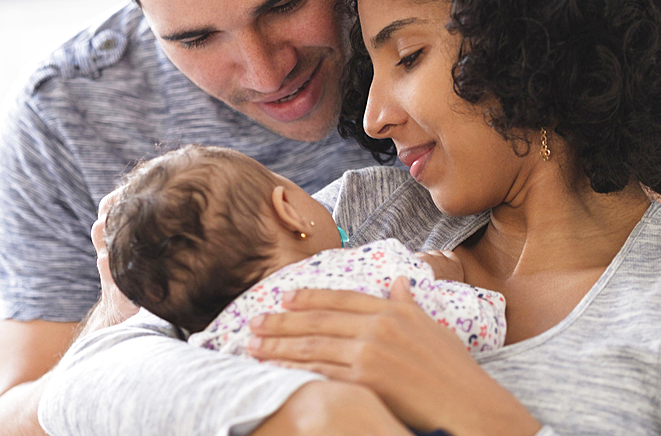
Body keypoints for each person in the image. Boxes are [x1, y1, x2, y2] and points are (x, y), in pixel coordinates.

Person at [37, 0, 661, 435]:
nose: (374, 116)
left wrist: (480, 414)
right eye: (372, 69)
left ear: (531, 42)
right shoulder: (365, 217)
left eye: (407, 56)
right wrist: (315, 412)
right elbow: (85, 385)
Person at [0, 0, 378, 434]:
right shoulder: (70, 114)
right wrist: (119, 314)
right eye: (194, 37)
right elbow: (5, 424)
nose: (265, 69)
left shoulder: (447, 27)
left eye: (285, 2)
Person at [104, 144, 506, 355]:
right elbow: (478, 327)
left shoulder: (208, 346)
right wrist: (448, 276)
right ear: (289, 213)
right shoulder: (367, 269)